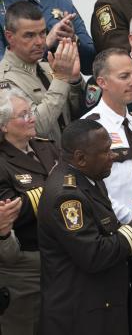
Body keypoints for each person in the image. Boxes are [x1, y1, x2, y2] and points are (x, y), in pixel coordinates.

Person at [38, 119, 132, 335]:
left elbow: (107, 232)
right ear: (80, 158)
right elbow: (94, 255)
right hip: (81, 315)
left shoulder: (89, 179)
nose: (113, 156)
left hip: (101, 306)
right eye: (106, 152)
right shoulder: (67, 196)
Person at [0, 89, 58, 335]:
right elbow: (12, 212)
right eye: (23, 115)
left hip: (61, 258)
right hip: (26, 265)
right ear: (3, 126)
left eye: (31, 111)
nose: (32, 118)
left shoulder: (48, 147)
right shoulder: (2, 163)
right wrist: (55, 189)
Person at [82, 49, 132, 224]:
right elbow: (92, 189)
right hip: (117, 228)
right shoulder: (89, 128)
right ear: (102, 82)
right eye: (124, 77)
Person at [0, 1, 82, 143]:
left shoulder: (48, 67)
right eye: (29, 35)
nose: (39, 42)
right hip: (38, 162)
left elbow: (81, 114)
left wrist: (74, 80)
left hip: (69, 156)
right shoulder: (4, 79)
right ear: (9, 37)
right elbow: (36, 127)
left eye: (43, 33)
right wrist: (61, 78)